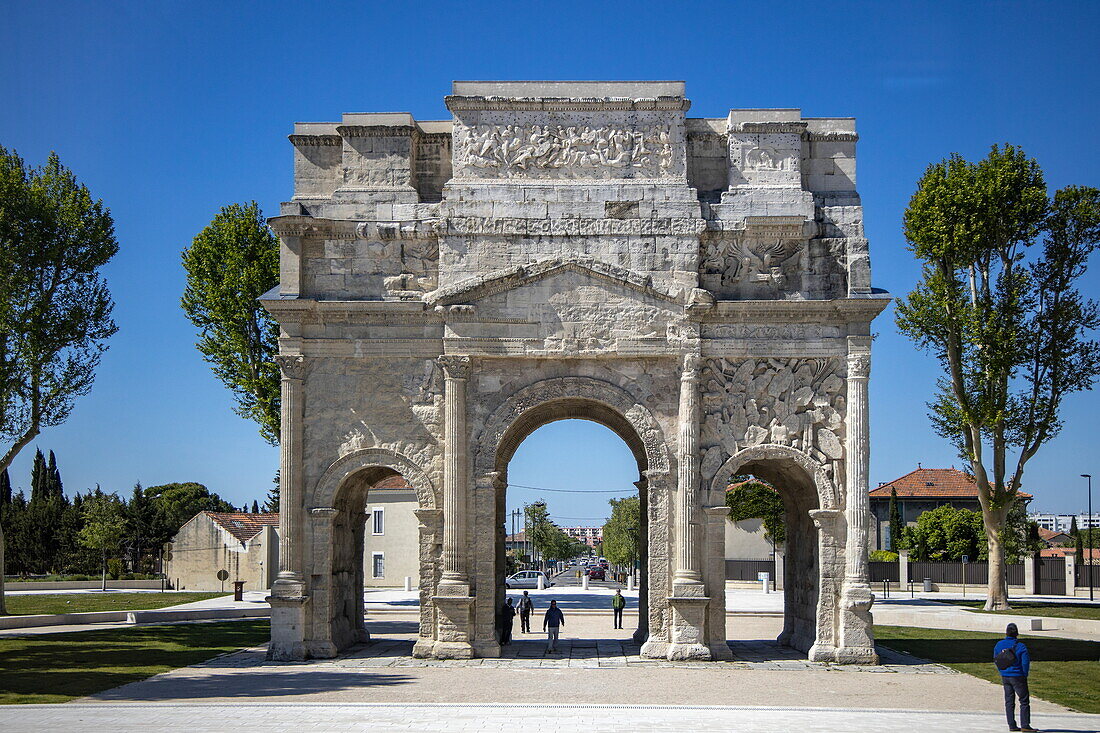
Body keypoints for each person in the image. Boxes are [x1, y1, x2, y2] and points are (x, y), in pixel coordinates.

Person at [994, 622, 1035, 732]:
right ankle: (1025, 725)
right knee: (1024, 701)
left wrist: (1002, 671)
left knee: (1009, 701)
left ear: (1006, 632)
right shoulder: (1021, 646)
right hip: (1018, 676)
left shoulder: (999, 645)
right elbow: (1025, 663)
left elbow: (996, 660)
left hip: (1005, 676)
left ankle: (1012, 725)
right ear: (1017, 633)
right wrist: (1024, 674)